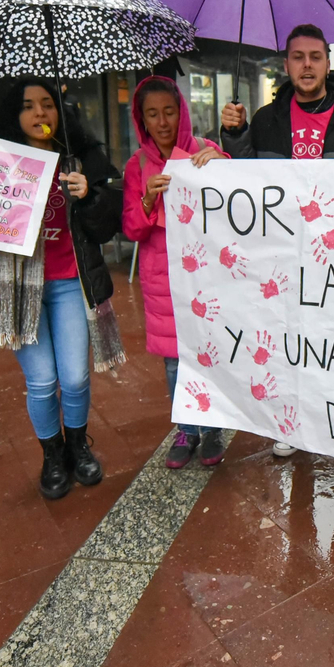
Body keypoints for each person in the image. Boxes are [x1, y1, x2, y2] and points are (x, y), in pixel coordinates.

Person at [221, 23, 334, 458]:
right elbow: (246, 181)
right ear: (286, 65)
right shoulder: (266, 120)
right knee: (290, 343)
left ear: (327, 63)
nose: (306, 65)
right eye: (298, 57)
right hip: (284, 258)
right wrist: (236, 136)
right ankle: (292, 424)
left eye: (315, 57)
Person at [0, 80, 122, 498]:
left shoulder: (83, 159)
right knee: (42, 381)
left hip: (70, 284)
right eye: (28, 106)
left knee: (74, 378)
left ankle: (77, 446)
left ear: (61, 111)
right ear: (14, 114)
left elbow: (107, 226)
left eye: (47, 104)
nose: (39, 113)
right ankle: (52, 455)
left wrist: (90, 196)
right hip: (19, 287)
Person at [122, 77, 227, 469]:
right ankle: (186, 428)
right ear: (142, 120)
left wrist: (224, 165)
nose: (162, 122)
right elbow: (132, 229)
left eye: (169, 111)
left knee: (208, 352)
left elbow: (237, 205)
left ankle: (212, 428)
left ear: (181, 111)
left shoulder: (206, 151)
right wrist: (148, 199)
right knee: (173, 361)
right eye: (153, 114)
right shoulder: (137, 165)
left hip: (205, 274)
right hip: (162, 277)